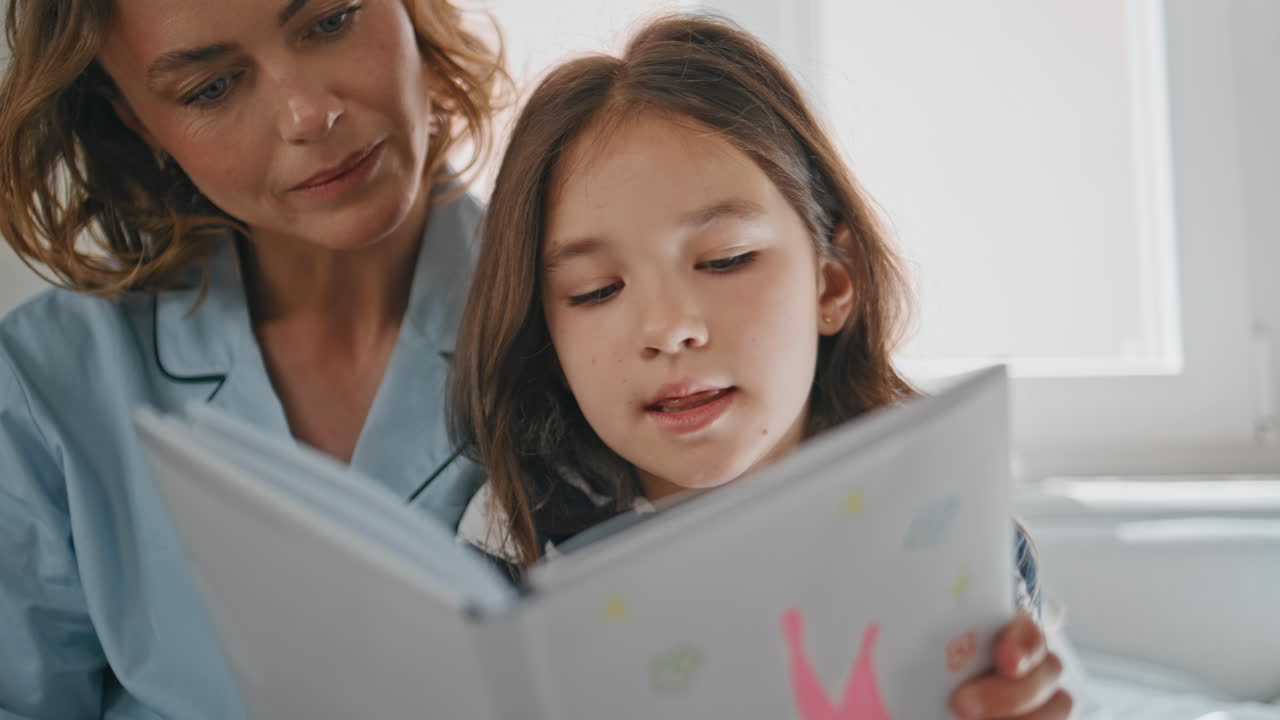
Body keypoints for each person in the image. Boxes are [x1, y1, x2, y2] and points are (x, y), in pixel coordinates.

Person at [450, 14, 1070, 720]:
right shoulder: (510, 548)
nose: (670, 330)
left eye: (726, 260)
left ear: (833, 283)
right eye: (597, 291)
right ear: (546, 335)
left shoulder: (948, 522)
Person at [0, 0, 508, 716]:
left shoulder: (604, 331)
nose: (308, 114)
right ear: (139, 123)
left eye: (330, 22)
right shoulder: (41, 388)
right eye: (211, 87)